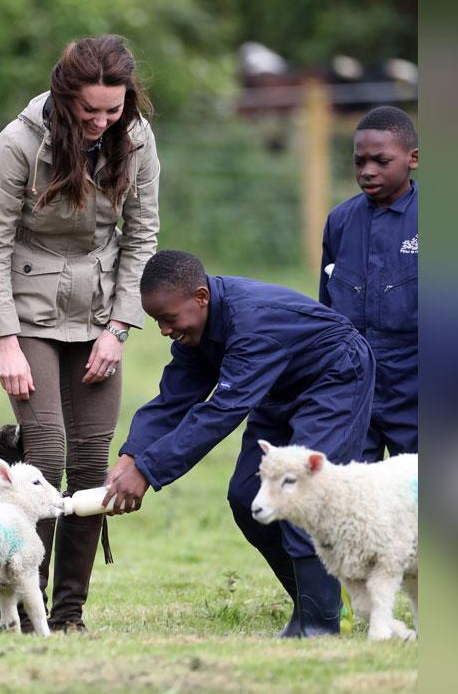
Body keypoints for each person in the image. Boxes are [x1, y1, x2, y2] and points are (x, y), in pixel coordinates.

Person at [0, 34, 160, 632]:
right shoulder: (18, 144)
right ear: (64, 96)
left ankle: (69, 613)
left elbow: (143, 237)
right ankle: (24, 611)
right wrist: (5, 342)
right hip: (29, 311)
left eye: (113, 110)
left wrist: (120, 327)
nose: (102, 122)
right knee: (46, 456)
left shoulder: (134, 139)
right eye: (90, 111)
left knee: (89, 467)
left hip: (101, 311)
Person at [103, 250, 376, 637]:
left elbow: (221, 411)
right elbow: (173, 400)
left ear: (201, 297)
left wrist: (148, 471)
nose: (164, 330)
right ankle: (314, 601)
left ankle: (320, 626)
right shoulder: (194, 331)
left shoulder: (252, 323)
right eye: (157, 321)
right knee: (248, 497)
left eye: (168, 319)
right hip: (277, 389)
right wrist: (132, 456)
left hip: (334, 379)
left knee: (299, 495)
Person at [320, 105, 418, 458]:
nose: (368, 171)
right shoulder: (341, 221)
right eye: (360, 161)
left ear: (413, 159)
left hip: (417, 386)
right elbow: (326, 310)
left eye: (381, 160)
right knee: (357, 489)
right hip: (355, 385)